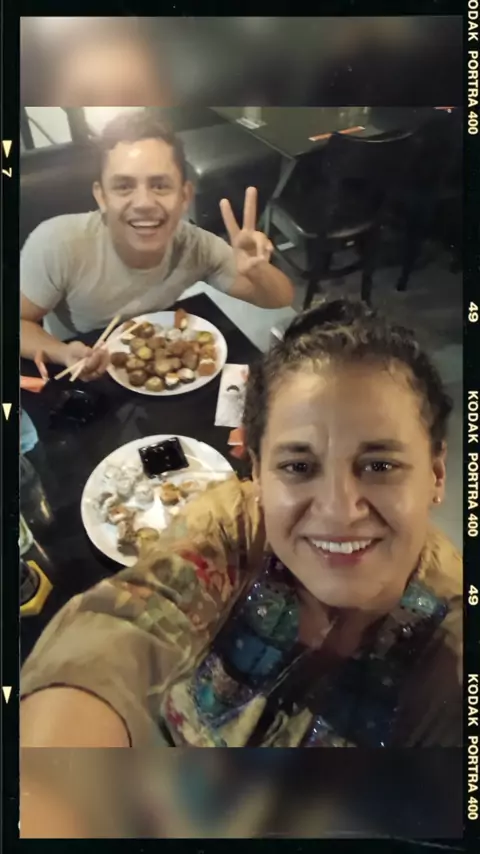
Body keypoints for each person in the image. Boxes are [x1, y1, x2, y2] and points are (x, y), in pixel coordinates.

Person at [20, 298, 461, 749]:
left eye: (380, 466)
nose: (339, 510)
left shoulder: (452, 641)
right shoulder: (234, 525)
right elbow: (124, 625)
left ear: (436, 474)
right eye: (298, 467)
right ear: (257, 472)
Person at [20, 111, 294, 381]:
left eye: (160, 185)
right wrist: (61, 352)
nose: (144, 203)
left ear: (184, 196)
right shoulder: (58, 244)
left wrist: (258, 271)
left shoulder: (197, 246)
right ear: (101, 196)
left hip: (156, 360)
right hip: (82, 371)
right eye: (124, 186)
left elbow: (281, 298)